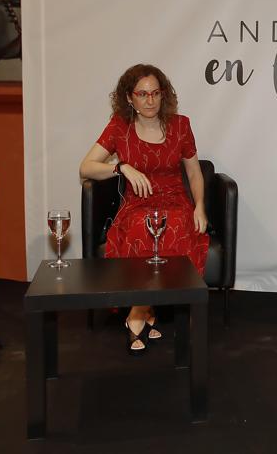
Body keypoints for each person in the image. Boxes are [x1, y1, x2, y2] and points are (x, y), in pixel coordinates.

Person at [79, 64, 209, 354]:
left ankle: (142, 312)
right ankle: (140, 312)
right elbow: (86, 167)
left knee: (175, 225)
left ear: (163, 95)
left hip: (175, 202)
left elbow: (194, 173)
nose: (150, 100)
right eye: (142, 94)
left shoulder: (180, 125)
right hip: (137, 205)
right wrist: (121, 167)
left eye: (155, 93)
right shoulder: (119, 127)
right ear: (129, 98)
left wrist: (200, 207)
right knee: (142, 227)